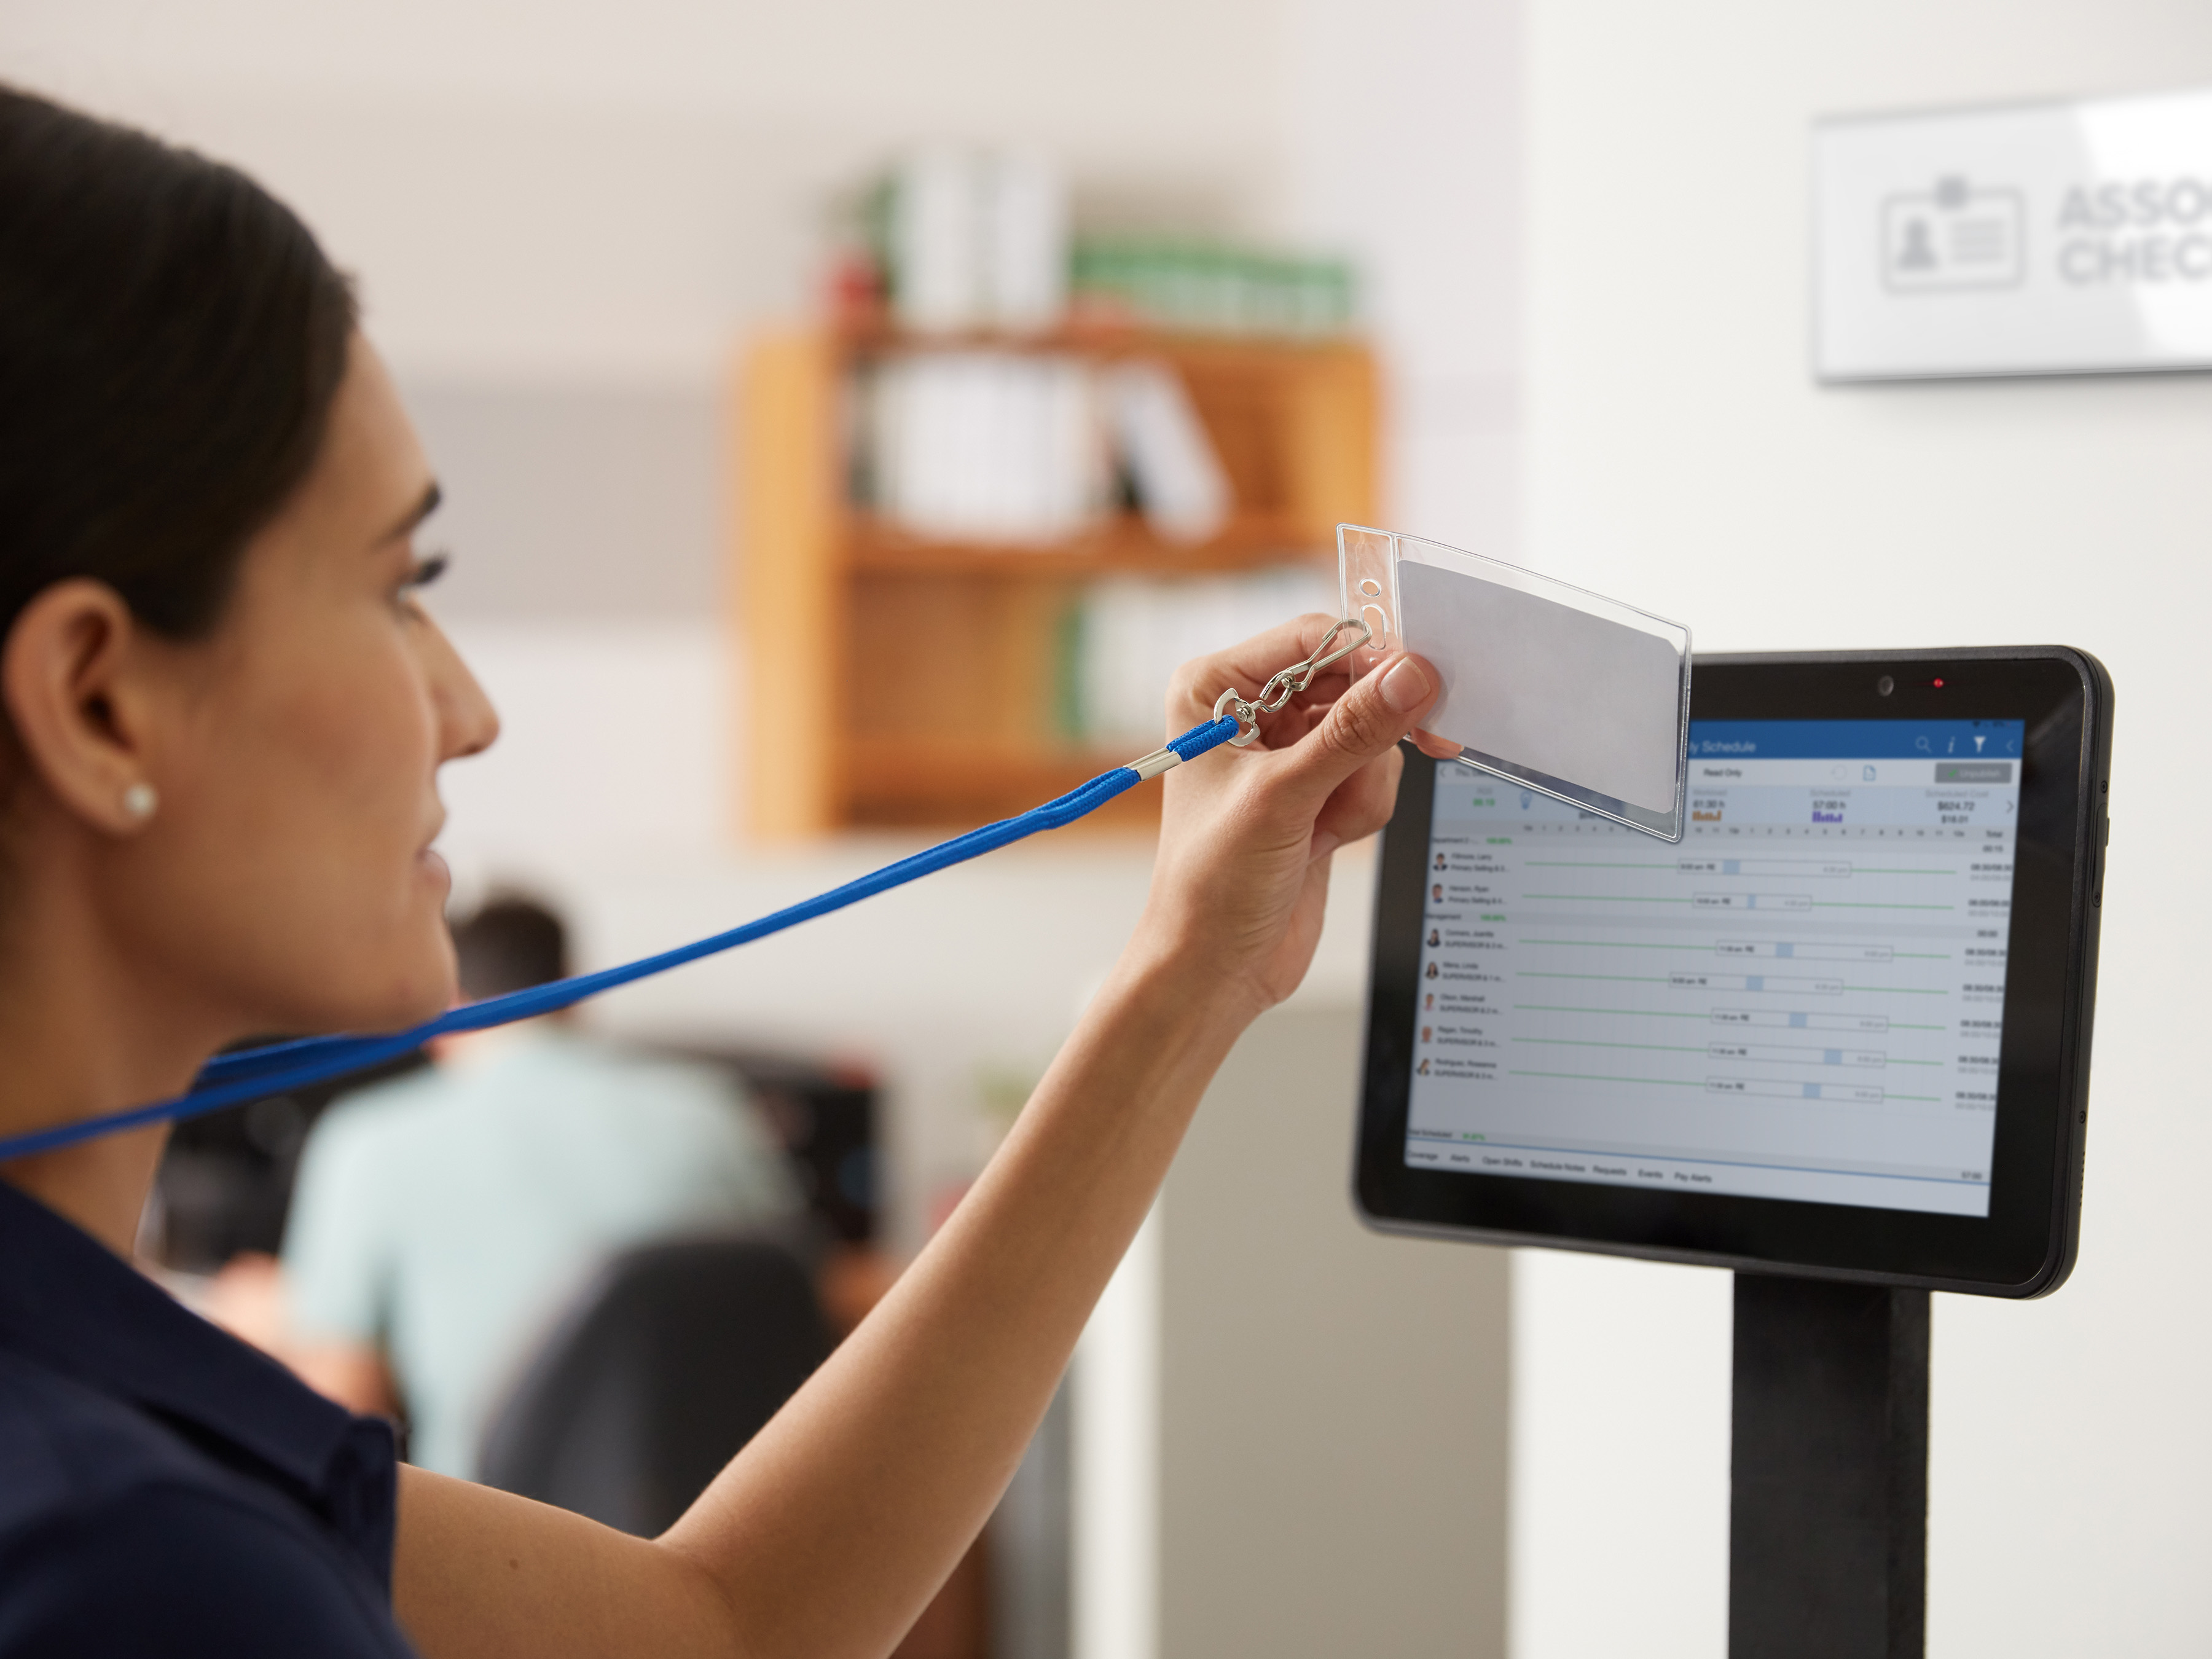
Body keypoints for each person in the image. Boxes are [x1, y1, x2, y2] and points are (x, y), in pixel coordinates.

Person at [0, 85, 1448, 1658]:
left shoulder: (112, 1417)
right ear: (95, 699)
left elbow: (720, 1624)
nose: (470, 713)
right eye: (396, 589)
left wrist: (1189, 971)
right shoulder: (128, 1565)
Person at [276, 895, 801, 1478]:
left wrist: (289, 1321)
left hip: (499, 1545)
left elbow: (344, 1403)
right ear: (573, 990)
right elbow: (799, 1298)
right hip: (715, 1535)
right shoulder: (713, 1111)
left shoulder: (367, 1140)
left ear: (443, 1002)